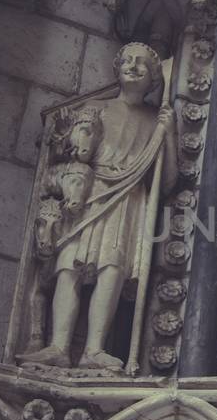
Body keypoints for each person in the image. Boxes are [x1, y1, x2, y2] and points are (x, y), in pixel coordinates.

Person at [27, 43, 176, 369]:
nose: (133, 66)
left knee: (113, 269)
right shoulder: (95, 108)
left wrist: (168, 134)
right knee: (69, 264)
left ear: (154, 78)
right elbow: (65, 150)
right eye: (127, 60)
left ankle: (94, 349)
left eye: (143, 64)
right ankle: (58, 346)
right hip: (89, 191)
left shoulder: (156, 120)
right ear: (116, 67)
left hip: (129, 198)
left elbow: (165, 182)